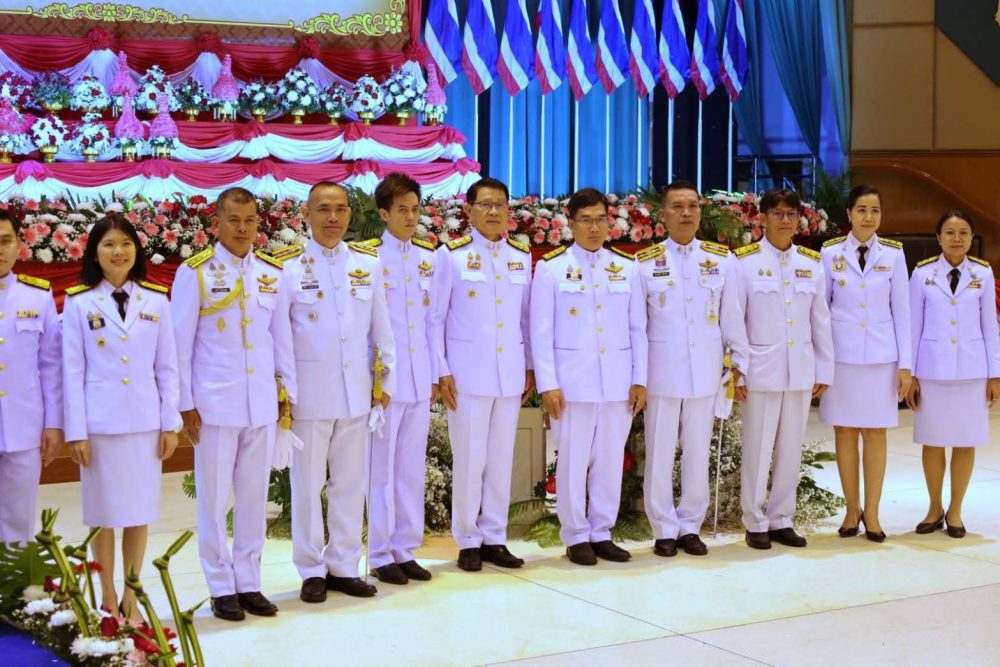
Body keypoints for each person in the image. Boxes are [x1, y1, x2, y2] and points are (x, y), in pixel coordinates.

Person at [172, 187, 296, 621]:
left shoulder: (271, 272)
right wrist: (184, 403)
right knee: (212, 498)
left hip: (260, 402)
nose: (242, 229)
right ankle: (220, 585)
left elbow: (281, 339)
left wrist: (288, 395)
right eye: (233, 220)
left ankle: (249, 581)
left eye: (249, 220)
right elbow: (180, 343)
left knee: (254, 497)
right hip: (214, 405)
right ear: (217, 224)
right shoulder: (196, 272)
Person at [273, 181, 395, 603]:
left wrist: (386, 382)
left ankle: (344, 564)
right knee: (307, 486)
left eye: (341, 209)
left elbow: (381, 328)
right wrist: (285, 392)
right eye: (323, 209)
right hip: (308, 395)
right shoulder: (288, 268)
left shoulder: (367, 264)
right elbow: (281, 337)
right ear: (306, 215)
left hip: (357, 391)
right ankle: (311, 569)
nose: (333, 217)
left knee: (350, 483)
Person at [62, 214, 180, 623]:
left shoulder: (156, 300)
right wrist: (76, 432)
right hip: (100, 426)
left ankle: (132, 592)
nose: (119, 252)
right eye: (109, 244)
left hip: (145, 425)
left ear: (136, 251)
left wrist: (170, 424)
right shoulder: (79, 303)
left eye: (126, 244)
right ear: (95, 252)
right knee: (102, 514)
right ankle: (107, 594)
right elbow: (72, 372)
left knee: (138, 511)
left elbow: (167, 367)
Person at [530, 187, 647, 565]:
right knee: (572, 461)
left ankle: (601, 531)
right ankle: (576, 534)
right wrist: (548, 384)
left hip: (617, 382)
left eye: (600, 220)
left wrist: (640, 379)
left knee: (610, 460)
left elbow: (638, 329)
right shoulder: (551, 268)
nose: (594, 228)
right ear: (571, 223)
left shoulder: (627, 268)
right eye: (586, 220)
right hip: (572, 384)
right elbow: (540, 332)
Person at [430, 177, 534, 572]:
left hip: (509, 374)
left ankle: (494, 537)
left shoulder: (519, 256)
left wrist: (529, 365)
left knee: (500, 461)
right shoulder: (452, 256)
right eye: (485, 204)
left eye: (500, 205)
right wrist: (442, 369)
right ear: (469, 210)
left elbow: (525, 319)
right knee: (470, 460)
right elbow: (435, 318)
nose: (493, 211)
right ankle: (468, 539)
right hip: (467, 376)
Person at [636, 181, 744, 558]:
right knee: (660, 452)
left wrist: (738, 365)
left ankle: (690, 525)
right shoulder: (644, 263)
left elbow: (732, 318)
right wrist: (638, 377)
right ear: (663, 214)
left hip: (706, 371)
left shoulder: (721, 260)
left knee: (698, 451)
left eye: (693, 206)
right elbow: (638, 326)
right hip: (662, 373)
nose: (686, 213)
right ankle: (664, 528)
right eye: (678, 206)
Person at [731, 188, 834, 550]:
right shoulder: (743, 262)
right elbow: (736, 320)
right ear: (762, 218)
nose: (785, 220)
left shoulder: (810, 262)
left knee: (791, 448)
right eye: (777, 213)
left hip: (800, 368)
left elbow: (821, 320)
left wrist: (824, 369)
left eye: (791, 214)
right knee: (758, 449)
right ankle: (755, 520)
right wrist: (737, 369)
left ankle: (782, 518)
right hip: (760, 369)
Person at [819, 185, 911, 542]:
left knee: (875, 433)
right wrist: (821, 362)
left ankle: (872, 511)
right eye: (862, 210)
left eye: (875, 210)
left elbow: (902, 313)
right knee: (844, 431)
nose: (868, 217)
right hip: (841, 358)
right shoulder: (830, 253)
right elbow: (821, 311)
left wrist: (905, 365)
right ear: (849, 214)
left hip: (880, 358)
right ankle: (851, 508)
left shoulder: (894, 254)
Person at [907, 210, 1000, 538]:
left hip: (972, 371)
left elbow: (990, 327)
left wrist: (995, 375)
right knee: (933, 441)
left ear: (972, 238)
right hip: (931, 371)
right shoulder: (922, 274)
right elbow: (912, 326)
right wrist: (911, 374)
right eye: (950, 232)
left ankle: (956, 510)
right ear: (938, 237)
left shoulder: (982, 274)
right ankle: (934, 508)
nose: (956, 239)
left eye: (963, 233)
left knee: (965, 441)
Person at [365, 173, 438, 585]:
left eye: (415, 209)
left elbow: (432, 322)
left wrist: (435, 374)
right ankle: (379, 552)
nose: (410, 217)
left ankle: (405, 547)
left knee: (411, 467)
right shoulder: (369, 259)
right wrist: (373, 381)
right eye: (402, 210)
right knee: (381, 470)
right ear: (384, 214)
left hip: (419, 377)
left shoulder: (428, 258)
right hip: (386, 383)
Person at [0, 209, 62, 545]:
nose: (0, 249)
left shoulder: (37, 296)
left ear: (18, 245)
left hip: (24, 426)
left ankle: (13, 579)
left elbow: (51, 366)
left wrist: (53, 424)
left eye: (5, 240)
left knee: (18, 520)